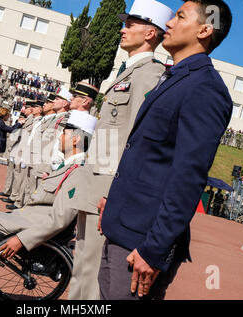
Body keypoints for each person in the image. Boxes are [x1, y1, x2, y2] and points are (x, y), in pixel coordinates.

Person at [98, 0, 233, 300]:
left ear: (205, 29)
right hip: (121, 229)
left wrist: (154, 249)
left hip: (141, 245)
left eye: (180, 16)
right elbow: (146, 156)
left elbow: (187, 178)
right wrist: (114, 200)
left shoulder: (205, 88)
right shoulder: (174, 77)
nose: (168, 23)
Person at [67, 1, 173, 300]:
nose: (122, 29)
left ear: (151, 33)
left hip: (108, 190)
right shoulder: (128, 72)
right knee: (83, 269)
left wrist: (115, 193)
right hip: (95, 184)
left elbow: (137, 140)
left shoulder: (149, 75)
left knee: (91, 278)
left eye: (130, 24)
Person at [0, 111, 97, 297]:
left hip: (32, 224)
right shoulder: (68, 167)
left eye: (65, 133)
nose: (60, 137)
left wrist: (23, 239)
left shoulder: (78, 172)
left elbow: (60, 220)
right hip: (27, 217)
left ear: (75, 139)